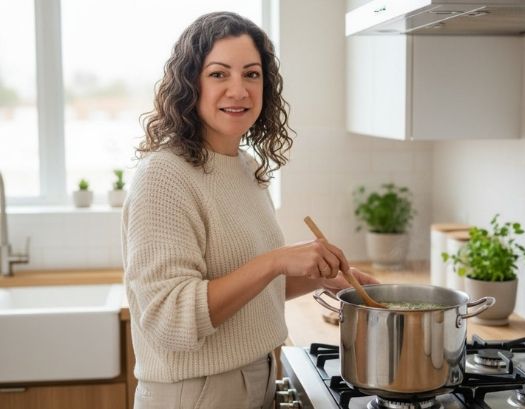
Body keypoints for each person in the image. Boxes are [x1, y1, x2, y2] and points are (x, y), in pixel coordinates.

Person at [122, 11, 379, 409]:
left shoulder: (245, 168)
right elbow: (170, 321)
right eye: (219, 74)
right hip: (196, 393)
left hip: (256, 377)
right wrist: (276, 261)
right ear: (191, 82)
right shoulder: (164, 176)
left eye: (252, 74)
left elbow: (245, 290)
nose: (239, 90)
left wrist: (319, 279)